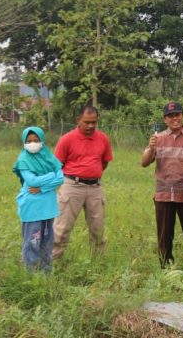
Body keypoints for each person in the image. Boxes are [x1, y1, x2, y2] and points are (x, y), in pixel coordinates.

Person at [140, 101, 183, 268]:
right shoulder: (157, 139)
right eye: (170, 116)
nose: (175, 119)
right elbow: (144, 162)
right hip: (163, 195)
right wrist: (151, 149)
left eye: (177, 115)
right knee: (164, 236)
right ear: (165, 119)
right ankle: (166, 268)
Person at [52, 105, 113, 260]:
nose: (91, 126)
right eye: (87, 122)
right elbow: (57, 165)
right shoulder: (66, 139)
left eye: (94, 122)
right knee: (61, 229)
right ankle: (52, 263)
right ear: (78, 119)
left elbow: (104, 163)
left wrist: (91, 174)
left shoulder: (103, 139)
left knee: (97, 229)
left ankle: (97, 264)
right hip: (72, 186)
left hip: (95, 188)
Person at [13, 126, 65, 273]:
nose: (33, 143)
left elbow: (60, 178)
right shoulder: (23, 160)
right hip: (32, 207)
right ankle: (31, 274)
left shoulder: (49, 157)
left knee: (47, 242)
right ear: (24, 142)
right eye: (29, 141)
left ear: (42, 141)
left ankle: (46, 273)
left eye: (36, 140)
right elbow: (31, 181)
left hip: (48, 207)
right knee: (32, 242)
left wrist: (42, 188)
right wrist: (51, 175)